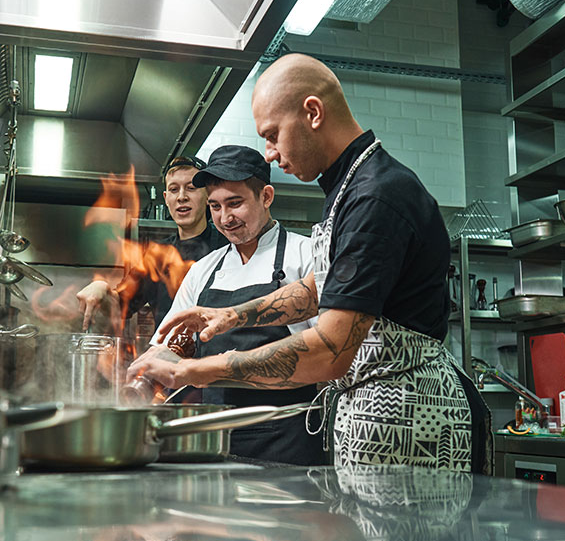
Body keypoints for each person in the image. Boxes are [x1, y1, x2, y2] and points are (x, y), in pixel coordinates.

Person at [132, 54, 492, 473]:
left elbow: (330, 351)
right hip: (369, 410)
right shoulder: (350, 186)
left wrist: (195, 371)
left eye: (272, 135)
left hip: (407, 418)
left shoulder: (375, 195)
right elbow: (325, 287)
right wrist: (234, 315)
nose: (269, 153)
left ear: (313, 113)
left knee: (397, 538)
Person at [128, 144, 325, 465]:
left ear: (266, 197)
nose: (225, 218)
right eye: (216, 206)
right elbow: (172, 346)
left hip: (288, 436)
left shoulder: (306, 257)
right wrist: (144, 371)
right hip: (215, 437)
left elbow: (324, 352)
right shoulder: (205, 271)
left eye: (235, 204)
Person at [76, 156, 227, 331]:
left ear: (208, 195)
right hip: (166, 355)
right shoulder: (155, 255)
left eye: (191, 188)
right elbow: (119, 307)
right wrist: (101, 289)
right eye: (173, 189)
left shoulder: (228, 247)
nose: (181, 197)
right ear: (166, 198)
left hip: (218, 357)